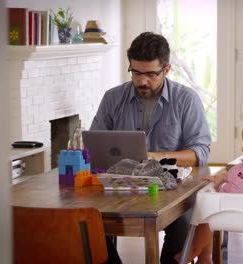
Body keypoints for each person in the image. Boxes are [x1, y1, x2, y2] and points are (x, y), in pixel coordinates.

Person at [90, 32, 212, 264]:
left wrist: (156, 157)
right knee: (86, 221)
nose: (142, 81)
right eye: (136, 72)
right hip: (121, 186)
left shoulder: (186, 100)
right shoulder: (112, 98)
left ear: (166, 70)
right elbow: (95, 142)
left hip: (170, 188)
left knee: (185, 223)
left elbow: (200, 152)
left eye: (150, 74)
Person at [174, 115, 243, 264]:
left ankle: (195, 250)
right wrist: (222, 179)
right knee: (206, 213)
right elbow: (240, 176)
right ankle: (205, 257)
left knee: (206, 216)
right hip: (238, 206)